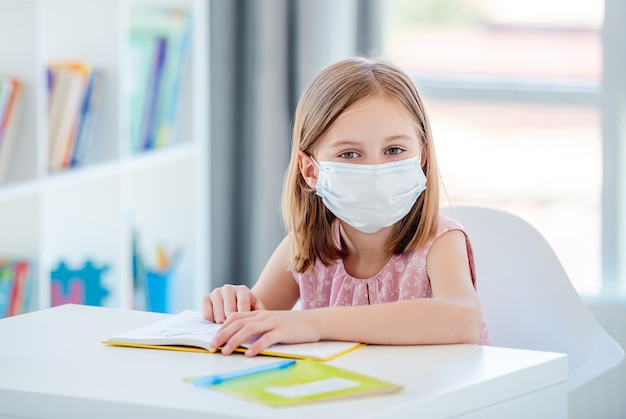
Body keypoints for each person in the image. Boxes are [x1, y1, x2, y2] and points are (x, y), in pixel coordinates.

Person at [202, 56, 491, 356]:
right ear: (310, 170)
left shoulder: (440, 242)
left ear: (421, 156)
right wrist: (232, 305)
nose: (376, 170)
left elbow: (462, 318)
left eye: (394, 150)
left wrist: (316, 323)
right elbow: (256, 322)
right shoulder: (305, 247)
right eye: (350, 154)